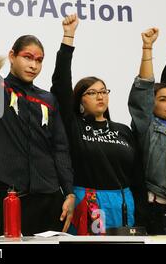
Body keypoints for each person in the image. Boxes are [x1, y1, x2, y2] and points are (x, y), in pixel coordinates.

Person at [0, 0, 74, 236]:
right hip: (14, 200)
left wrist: (70, 193)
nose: (33, 65)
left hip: (52, 198)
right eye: (27, 57)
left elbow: (60, 148)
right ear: (13, 56)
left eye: (39, 60)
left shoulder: (47, 99)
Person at [51, 15, 144, 235]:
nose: (100, 96)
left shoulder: (123, 130)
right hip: (90, 202)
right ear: (80, 100)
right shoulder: (74, 126)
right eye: (92, 93)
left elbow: (137, 175)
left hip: (123, 203)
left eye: (103, 91)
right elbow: (61, 85)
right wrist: (68, 37)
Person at [128, 30, 166, 234]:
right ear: (151, 104)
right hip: (158, 209)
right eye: (162, 99)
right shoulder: (147, 126)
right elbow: (143, 90)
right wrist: (147, 48)